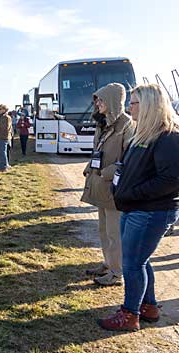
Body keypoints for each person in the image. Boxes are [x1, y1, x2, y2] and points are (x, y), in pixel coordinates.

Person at [98, 84, 179, 331]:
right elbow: (125, 166)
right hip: (135, 208)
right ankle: (148, 306)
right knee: (140, 260)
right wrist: (117, 187)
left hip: (150, 211)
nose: (128, 107)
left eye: (133, 102)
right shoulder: (142, 134)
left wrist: (133, 194)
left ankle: (129, 314)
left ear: (148, 106)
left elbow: (170, 179)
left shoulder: (168, 137)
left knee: (132, 263)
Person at [81, 83, 135, 287]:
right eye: (96, 100)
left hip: (115, 187)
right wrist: (89, 166)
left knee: (115, 233)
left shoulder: (126, 125)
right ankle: (108, 263)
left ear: (113, 101)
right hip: (101, 184)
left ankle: (116, 272)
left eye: (101, 100)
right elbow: (99, 150)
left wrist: (108, 172)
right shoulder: (103, 122)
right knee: (103, 229)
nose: (97, 103)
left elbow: (130, 158)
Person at [0, 105, 14, 171]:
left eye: (0, 109)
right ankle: (6, 165)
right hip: (0, 137)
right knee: (3, 152)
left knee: (2, 152)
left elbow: (6, 128)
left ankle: (3, 167)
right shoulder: (2, 117)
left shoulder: (6, 117)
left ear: (4, 109)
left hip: (3, 137)